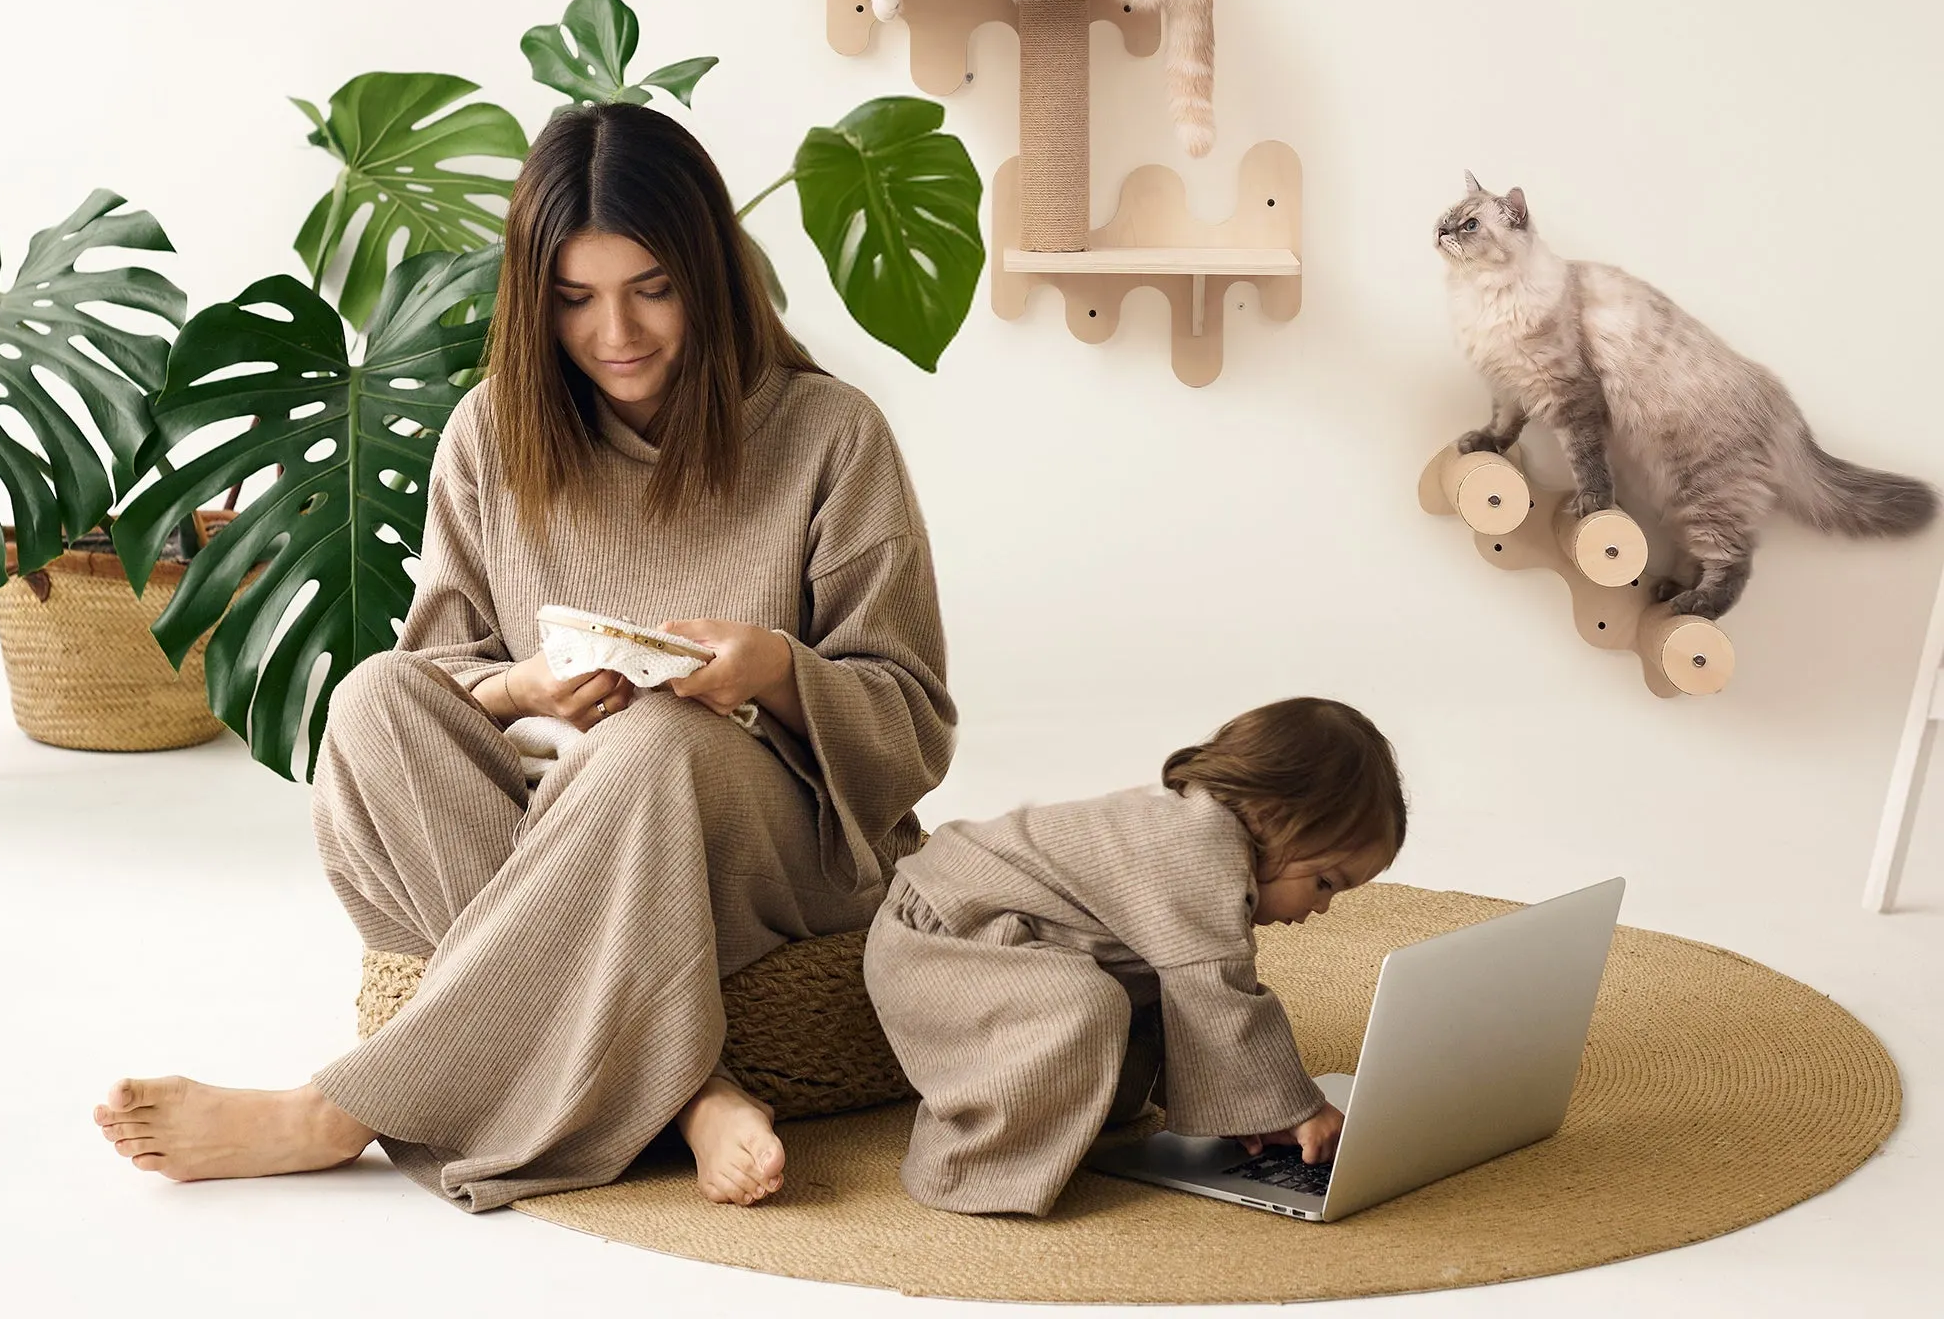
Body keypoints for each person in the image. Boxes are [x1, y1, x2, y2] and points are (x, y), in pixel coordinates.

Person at [95, 102, 955, 1210]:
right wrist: (522, 687)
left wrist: (773, 667)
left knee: (650, 746)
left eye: (652, 286)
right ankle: (694, 1085)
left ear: (709, 273)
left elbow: (915, 719)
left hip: (770, 850)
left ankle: (339, 1108)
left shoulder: (829, 434)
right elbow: (443, 674)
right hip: (551, 818)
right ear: (533, 298)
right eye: (575, 298)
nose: (617, 333)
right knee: (370, 700)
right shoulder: (492, 432)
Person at [863, 696, 1405, 1216]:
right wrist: (1297, 1107)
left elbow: (1194, 999)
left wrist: (1254, 1104)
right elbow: (1218, 995)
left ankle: (1081, 1109)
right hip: (941, 939)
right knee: (1083, 1005)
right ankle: (966, 1171)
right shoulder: (1198, 852)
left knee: (1132, 1005)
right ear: (1271, 818)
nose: (1323, 908)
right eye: (1325, 882)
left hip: (1001, 929)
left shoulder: (1207, 837)